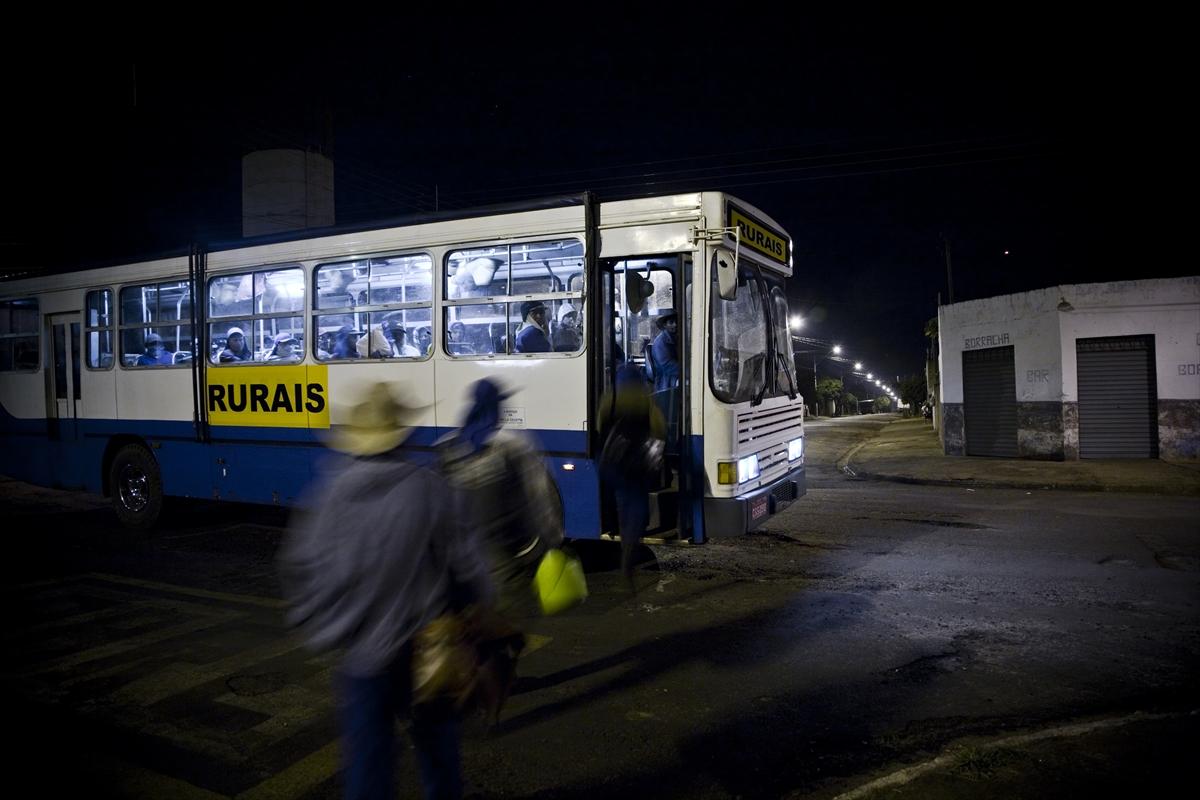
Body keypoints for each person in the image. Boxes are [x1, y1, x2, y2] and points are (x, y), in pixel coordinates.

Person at [278, 383, 494, 800]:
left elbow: (302, 569)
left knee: (368, 771)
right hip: (428, 654)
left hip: (362, 661)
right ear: (403, 436)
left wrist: (326, 630)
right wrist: (479, 612)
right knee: (439, 762)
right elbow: (471, 567)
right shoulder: (430, 490)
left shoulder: (330, 497)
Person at [438, 378, 564, 615]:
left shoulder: (448, 447)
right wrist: (550, 543)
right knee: (504, 634)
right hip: (504, 564)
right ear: (496, 408)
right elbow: (540, 500)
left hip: (460, 568)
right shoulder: (514, 446)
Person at [598, 364, 666, 589]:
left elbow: (600, 426)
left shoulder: (611, 399)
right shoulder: (646, 401)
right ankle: (629, 549)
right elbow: (659, 430)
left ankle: (619, 538)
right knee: (637, 510)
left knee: (621, 503)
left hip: (615, 467)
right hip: (637, 467)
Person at [649, 310, 680, 392]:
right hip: (665, 386)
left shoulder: (677, 339)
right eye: (671, 322)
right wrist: (689, 370)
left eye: (676, 322)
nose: (675, 325)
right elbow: (668, 366)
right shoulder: (660, 343)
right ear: (665, 325)